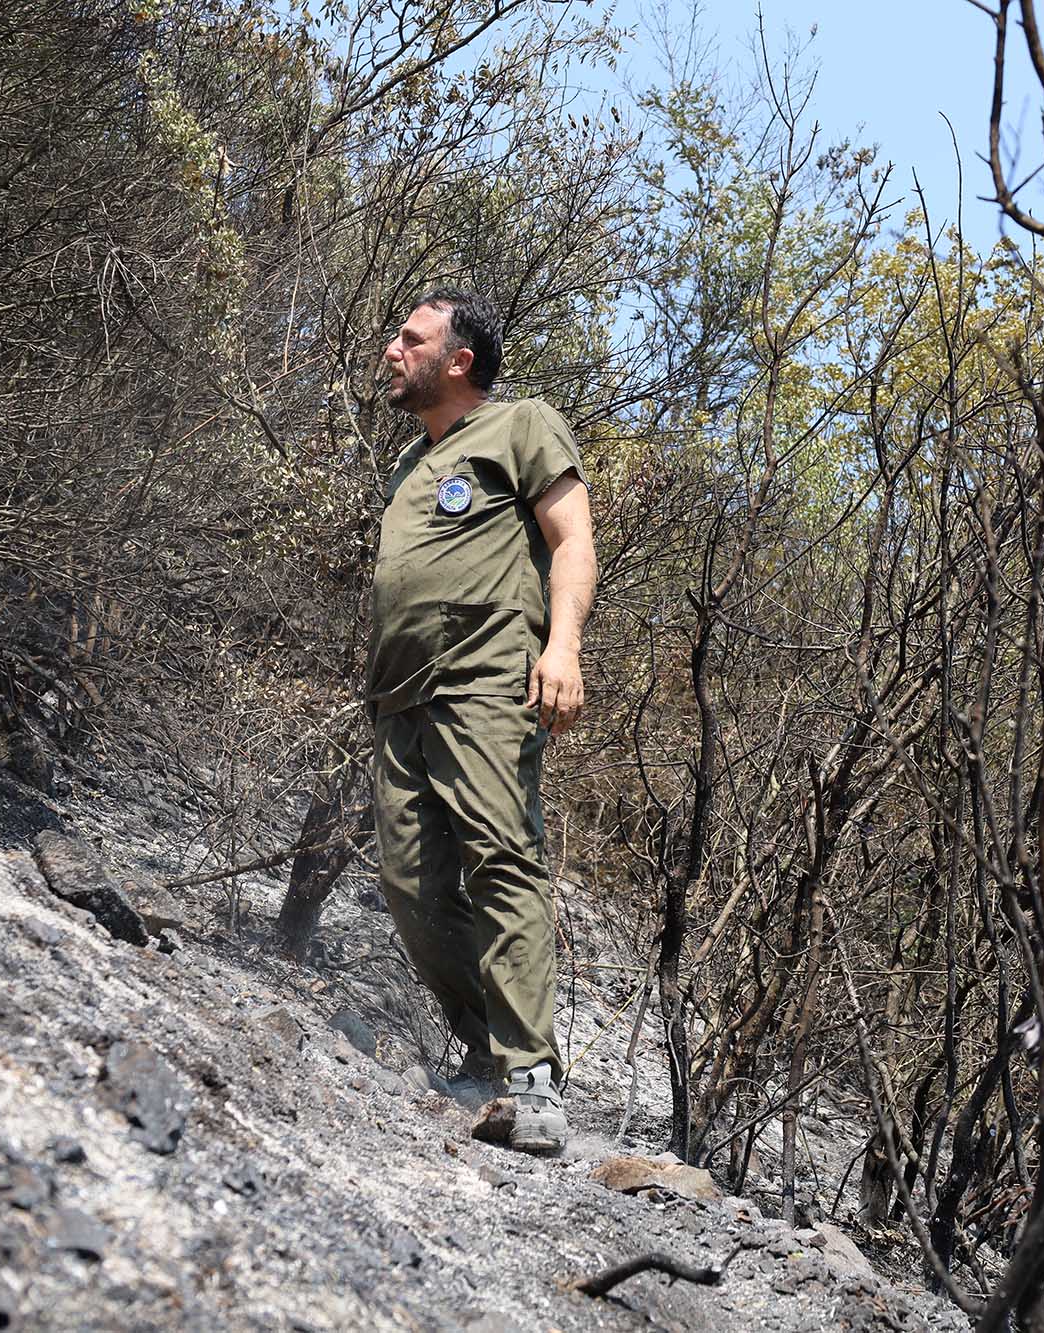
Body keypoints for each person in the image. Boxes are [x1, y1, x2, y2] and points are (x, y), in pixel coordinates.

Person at [367, 287, 596, 1155]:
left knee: (501, 858)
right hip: (400, 697)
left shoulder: (520, 425)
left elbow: (572, 540)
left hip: (486, 681)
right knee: (410, 885)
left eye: (410, 339)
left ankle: (530, 1074)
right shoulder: (410, 465)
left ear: (458, 360)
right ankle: (485, 1047)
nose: (392, 350)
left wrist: (562, 647)